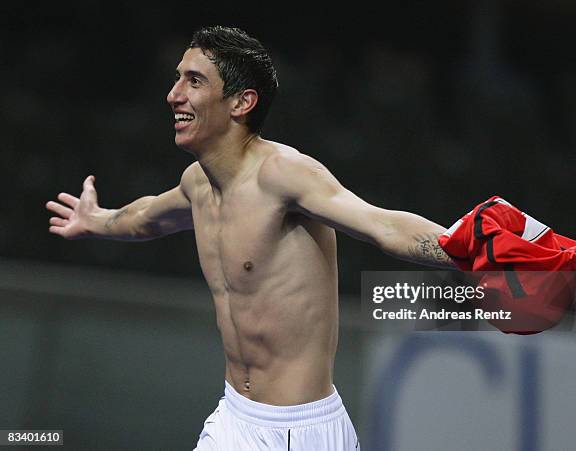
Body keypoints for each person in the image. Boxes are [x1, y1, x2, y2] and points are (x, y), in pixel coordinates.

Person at [46, 25, 453, 451]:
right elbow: (147, 217)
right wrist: (97, 219)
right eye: (178, 77)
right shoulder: (198, 184)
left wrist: (467, 249)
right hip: (234, 418)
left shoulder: (284, 174)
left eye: (194, 80)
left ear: (242, 102)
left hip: (303, 432)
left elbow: (383, 225)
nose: (173, 94)